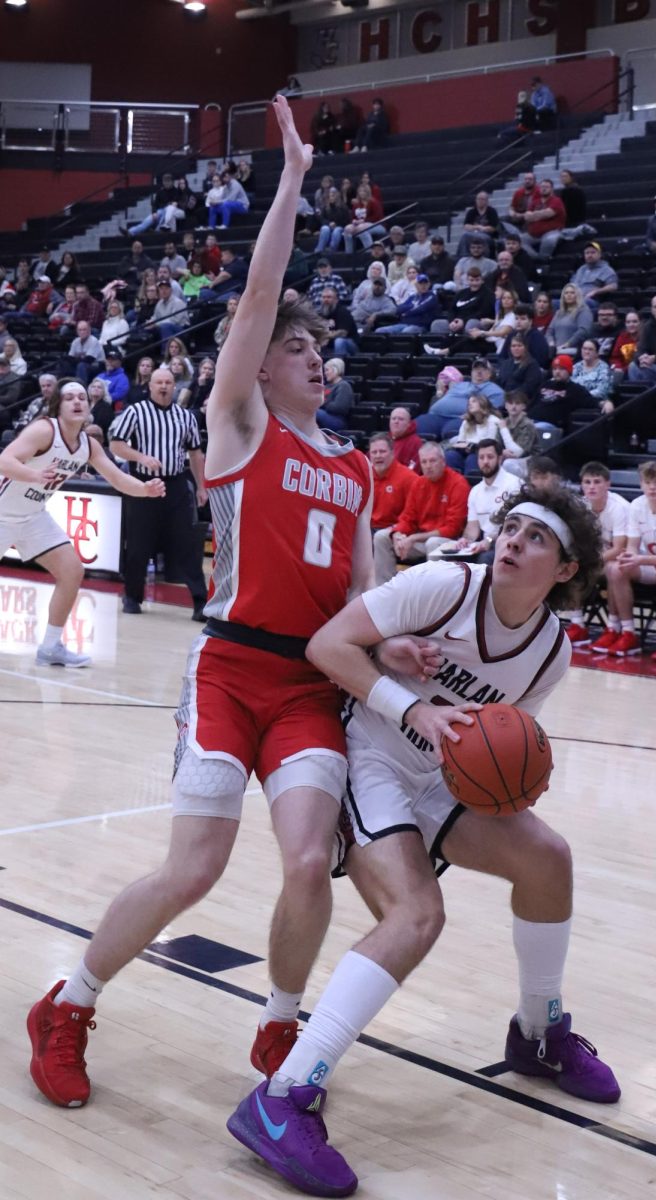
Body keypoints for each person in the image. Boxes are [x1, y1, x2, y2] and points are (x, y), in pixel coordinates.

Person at [26, 94, 375, 1117]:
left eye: (322, 350)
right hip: (228, 668)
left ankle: (280, 1014)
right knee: (194, 872)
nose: (314, 356)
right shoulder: (236, 426)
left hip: (311, 684)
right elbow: (261, 293)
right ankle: (70, 1001)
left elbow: (365, 593)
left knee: (311, 859)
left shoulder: (354, 464)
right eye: (296, 347)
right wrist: (296, 181)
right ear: (260, 365)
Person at [229, 484, 619, 1196]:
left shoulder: (549, 653)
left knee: (547, 859)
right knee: (417, 914)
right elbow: (328, 645)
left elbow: (500, 737)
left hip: (438, 774)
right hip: (369, 754)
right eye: (510, 528)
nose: (511, 542)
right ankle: (282, 1098)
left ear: (564, 570)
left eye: (535, 539)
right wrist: (411, 707)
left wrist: (509, 779)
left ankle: (537, 1032)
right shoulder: (442, 583)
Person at [0, 378, 164, 667]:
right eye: (69, 398)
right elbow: (5, 460)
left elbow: (117, 478)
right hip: (2, 512)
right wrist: (35, 476)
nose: (77, 402)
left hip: (32, 515)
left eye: (82, 398)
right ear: (58, 406)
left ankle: (50, 647)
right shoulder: (44, 430)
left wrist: (144, 489)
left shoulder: (88, 445)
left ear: (89, 406)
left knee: (72, 571)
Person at [106, 367, 208, 617]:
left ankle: (200, 602)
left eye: (168, 382)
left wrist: (202, 486)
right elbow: (116, 444)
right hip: (142, 484)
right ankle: (132, 597)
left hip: (175, 484)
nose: (163, 386)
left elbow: (195, 453)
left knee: (187, 543)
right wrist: (141, 456)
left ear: (174, 387)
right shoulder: (135, 411)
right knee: (139, 543)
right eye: (159, 382)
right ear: (150, 386)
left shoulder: (187, 417)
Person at [592, 460, 656, 660]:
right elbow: (632, 545)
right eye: (647, 482)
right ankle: (626, 632)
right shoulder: (636, 506)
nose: (652, 487)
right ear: (640, 484)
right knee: (616, 567)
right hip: (650, 562)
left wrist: (640, 559)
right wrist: (629, 557)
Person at [372, 441, 470, 583]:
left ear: (443, 461)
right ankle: (384, 588)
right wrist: (397, 534)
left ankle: (432, 592)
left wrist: (413, 538)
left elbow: (452, 529)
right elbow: (408, 517)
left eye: (432, 461)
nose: (428, 466)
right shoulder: (419, 483)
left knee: (433, 542)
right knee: (381, 537)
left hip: (449, 542)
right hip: (420, 540)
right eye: (424, 462)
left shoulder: (458, 484)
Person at [564, 461, 629, 646]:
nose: (592, 487)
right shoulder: (579, 507)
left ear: (608, 484)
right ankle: (577, 625)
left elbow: (619, 548)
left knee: (611, 569)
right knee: (569, 566)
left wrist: (588, 561)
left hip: (616, 559)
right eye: (587, 482)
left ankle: (614, 627)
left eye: (597, 482)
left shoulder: (619, 507)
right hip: (595, 560)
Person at [436, 438, 521, 562]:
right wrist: (465, 540)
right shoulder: (475, 491)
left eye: (490, 457)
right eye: (481, 458)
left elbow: (515, 527)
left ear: (500, 458)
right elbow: (472, 529)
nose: (485, 461)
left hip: (509, 543)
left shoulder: (514, 485)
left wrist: (489, 540)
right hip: (484, 544)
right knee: (449, 558)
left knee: (484, 559)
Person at [416, 357, 504, 440]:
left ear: (490, 374)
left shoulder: (495, 391)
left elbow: (492, 412)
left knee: (451, 433)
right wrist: (440, 393)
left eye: (484, 369)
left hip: (462, 419)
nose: (479, 372)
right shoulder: (460, 384)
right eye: (476, 369)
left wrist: (470, 416)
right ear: (471, 372)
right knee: (415, 426)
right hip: (435, 415)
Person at [443, 392, 502, 475]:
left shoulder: (493, 421)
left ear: (482, 403)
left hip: (483, 453)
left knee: (472, 458)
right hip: (465, 451)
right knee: (450, 455)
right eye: (469, 402)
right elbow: (461, 441)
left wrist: (472, 446)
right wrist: (464, 446)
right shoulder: (466, 422)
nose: (470, 404)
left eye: (474, 401)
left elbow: (491, 444)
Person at [368, 431, 416, 532]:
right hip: (367, 528)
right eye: (374, 452)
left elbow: (413, 514)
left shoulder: (408, 478)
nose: (378, 456)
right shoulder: (364, 476)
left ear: (392, 453)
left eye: (382, 451)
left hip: (392, 530)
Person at [546, 283, 593, 357]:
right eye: (566, 293)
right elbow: (550, 331)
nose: (569, 295)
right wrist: (552, 344)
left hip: (574, 352)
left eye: (572, 293)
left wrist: (568, 344)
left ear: (577, 295)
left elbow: (583, 331)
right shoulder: (559, 312)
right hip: (556, 352)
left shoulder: (583, 311)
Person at [570, 243, 618, 310]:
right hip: (576, 299)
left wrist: (595, 292)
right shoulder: (581, 269)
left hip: (592, 301)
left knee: (580, 303)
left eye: (593, 252)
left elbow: (613, 286)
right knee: (554, 303)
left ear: (599, 254)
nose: (589, 255)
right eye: (587, 253)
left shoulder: (606, 269)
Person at [456, 191, 500, 258]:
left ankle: (485, 258)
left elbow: (493, 228)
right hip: (473, 234)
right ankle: (463, 257)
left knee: (481, 238)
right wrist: (478, 227)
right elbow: (466, 226)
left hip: (488, 236)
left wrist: (482, 229)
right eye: (478, 199)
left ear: (487, 201)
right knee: (464, 236)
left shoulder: (492, 211)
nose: (479, 201)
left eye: (482, 199)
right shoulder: (471, 211)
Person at [317, 358, 354, 431]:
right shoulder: (326, 386)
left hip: (337, 420)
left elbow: (339, 408)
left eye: (327, 370)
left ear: (336, 370)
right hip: (324, 415)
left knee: (315, 413)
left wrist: (322, 402)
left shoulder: (344, 385)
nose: (325, 373)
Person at [389, 405, 423, 471]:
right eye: (393, 418)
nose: (396, 421)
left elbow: (413, 470)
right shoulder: (384, 440)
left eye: (401, 419)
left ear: (409, 424)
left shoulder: (415, 443)